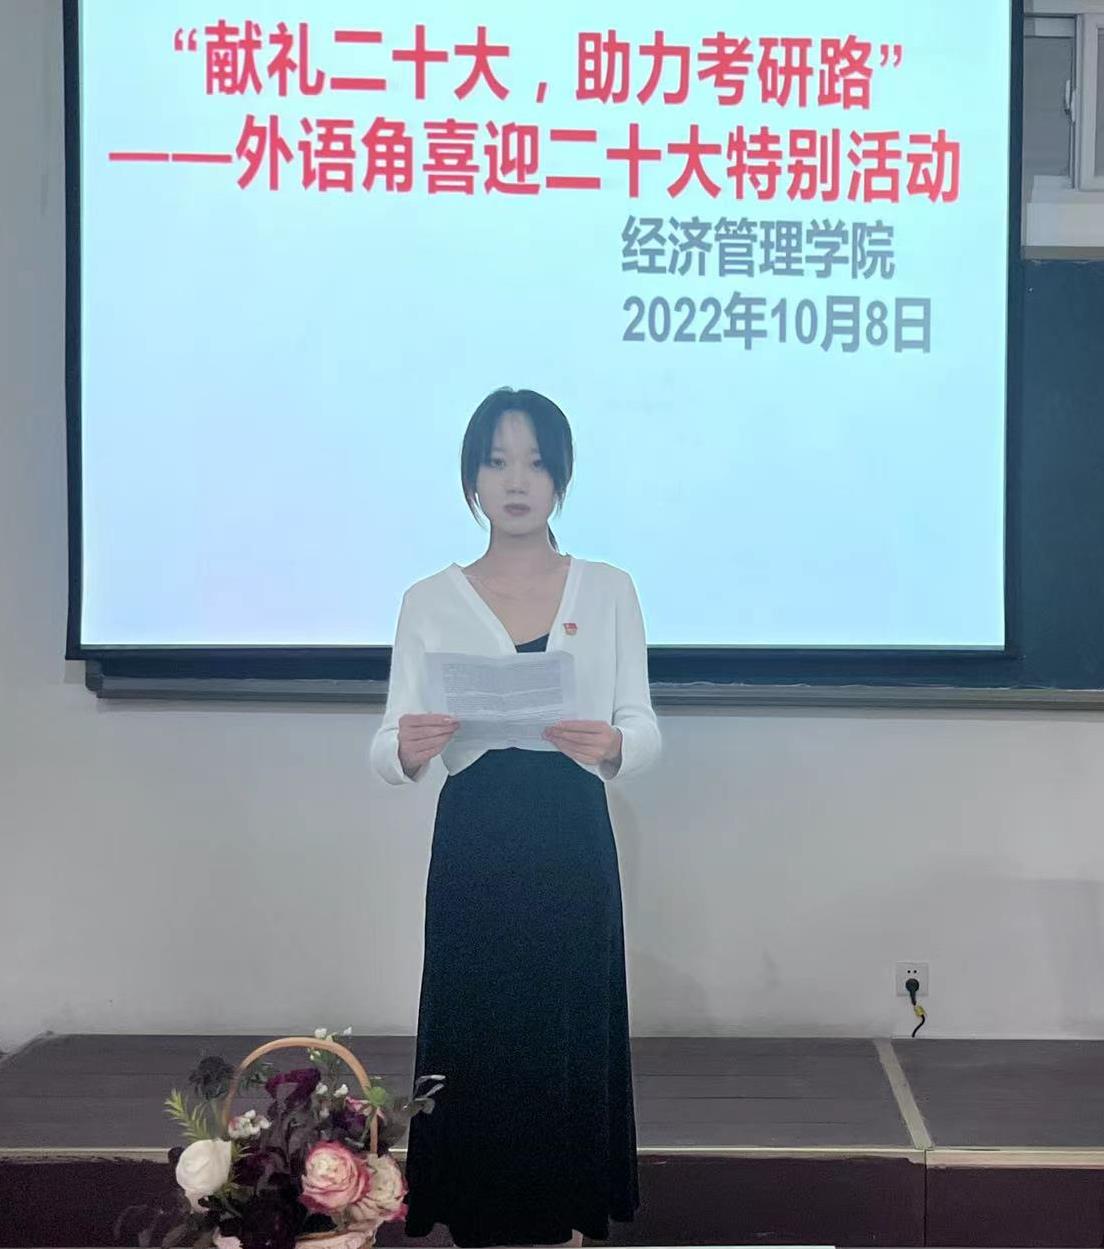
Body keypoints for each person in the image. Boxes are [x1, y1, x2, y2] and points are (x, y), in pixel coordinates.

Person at [370, 387, 661, 1248]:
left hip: (570, 826)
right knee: (478, 1022)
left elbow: (644, 726)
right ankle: (477, 1214)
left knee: (566, 1019)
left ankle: (566, 1214)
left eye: (535, 461)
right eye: (497, 461)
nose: (517, 480)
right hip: (477, 833)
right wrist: (407, 748)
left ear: (561, 476)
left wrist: (615, 743)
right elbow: (385, 742)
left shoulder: (607, 589)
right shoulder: (430, 598)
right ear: (472, 479)